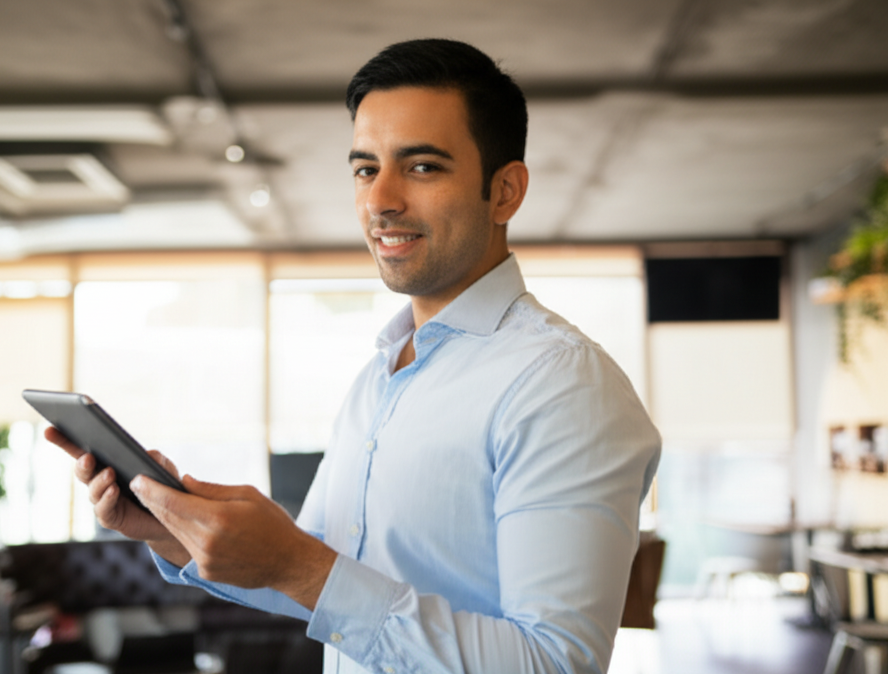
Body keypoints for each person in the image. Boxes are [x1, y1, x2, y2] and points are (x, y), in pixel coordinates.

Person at [49, 38, 661, 674]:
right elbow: (323, 579)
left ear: (504, 191)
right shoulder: (381, 377)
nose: (380, 200)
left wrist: (300, 565)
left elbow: (554, 664)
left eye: (422, 167)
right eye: (366, 169)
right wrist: (170, 530)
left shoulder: (563, 385)